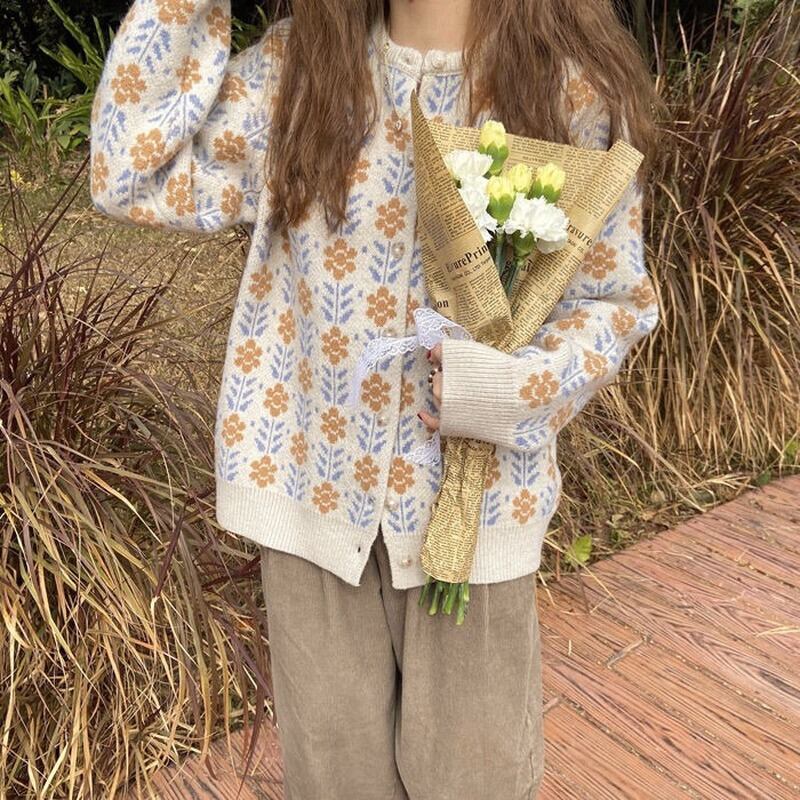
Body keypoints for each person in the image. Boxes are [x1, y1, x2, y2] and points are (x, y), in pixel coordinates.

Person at [90, 0, 660, 797]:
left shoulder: (569, 90)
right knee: (336, 782)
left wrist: (505, 390)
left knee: (474, 783)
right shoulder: (299, 73)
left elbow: (613, 299)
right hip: (310, 501)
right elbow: (129, 172)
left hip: (477, 515)